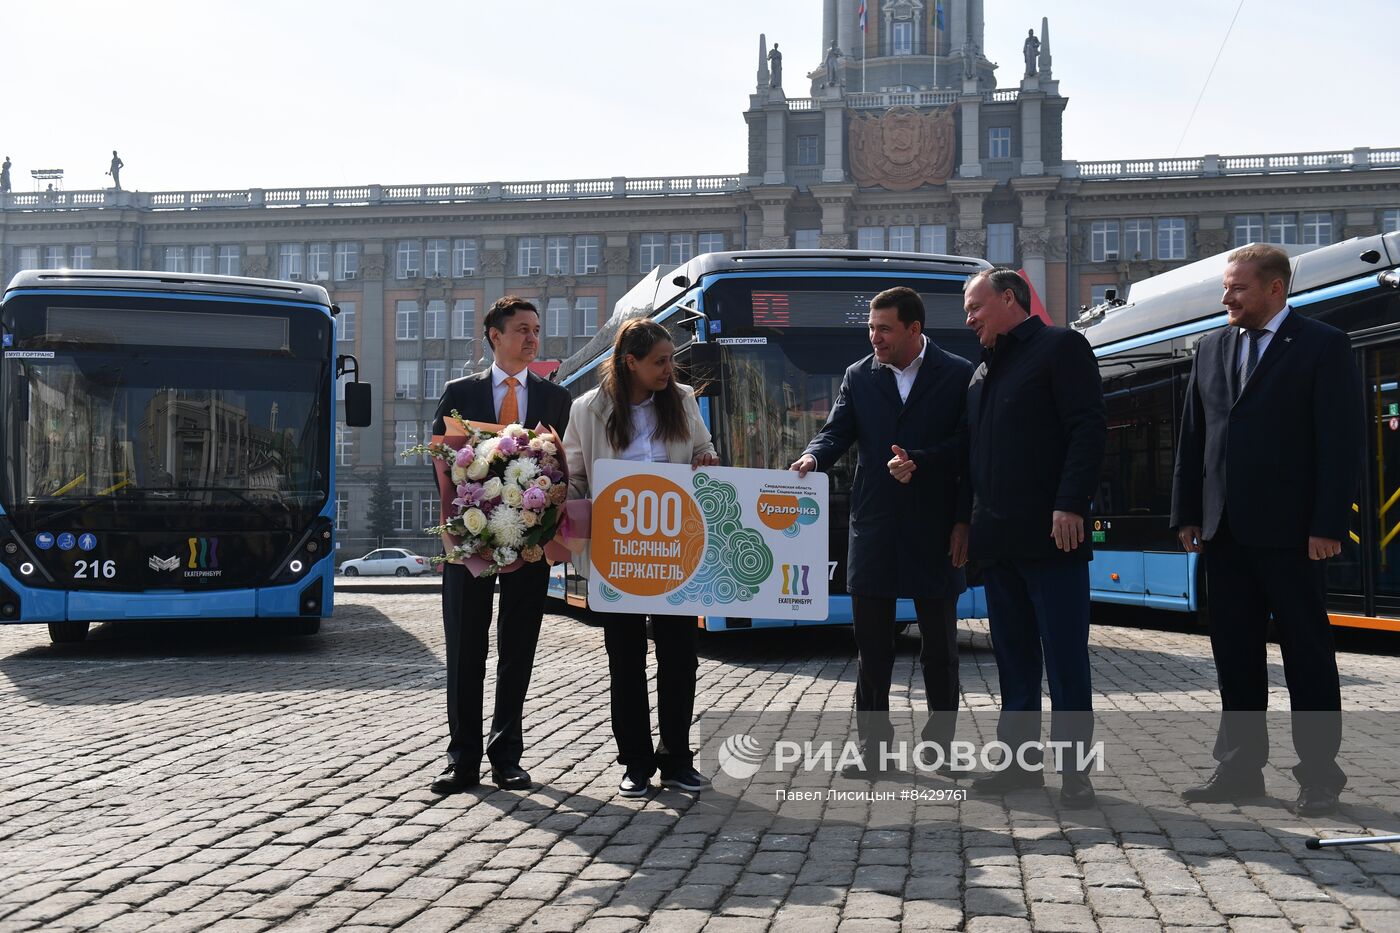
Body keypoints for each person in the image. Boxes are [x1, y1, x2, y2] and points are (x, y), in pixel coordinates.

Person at [1170, 245, 1363, 817]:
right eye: (1226, 288)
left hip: (1294, 534)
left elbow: (1341, 443)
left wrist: (1328, 523)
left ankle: (1321, 777)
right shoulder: (1210, 348)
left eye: (1238, 288)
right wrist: (1188, 513)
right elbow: (1193, 438)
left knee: (1307, 656)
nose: (1226, 298)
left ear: (1276, 288)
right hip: (1224, 530)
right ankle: (1238, 770)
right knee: (1234, 655)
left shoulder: (1323, 345)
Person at [792, 286, 971, 779]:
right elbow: (836, 430)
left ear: (914, 329)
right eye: (871, 328)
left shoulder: (957, 373)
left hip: (936, 529)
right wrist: (813, 456)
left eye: (884, 329)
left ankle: (942, 749)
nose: (874, 338)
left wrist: (959, 516)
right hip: (873, 527)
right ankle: (873, 750)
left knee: (941, 650)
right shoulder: (858, 375)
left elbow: (968, 448)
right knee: (872, 648)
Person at [961, 268, 1106, 808]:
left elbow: (1087, 429)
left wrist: (1071, 503)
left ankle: (1075, 773)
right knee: (1014, 663)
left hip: (1054, 538)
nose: (969, 319)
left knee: (1066, 660)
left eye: (975, 307)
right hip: (999, 545)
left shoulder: (1061, 346)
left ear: (1008, 298)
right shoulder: (980, 374)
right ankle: (1020, 767)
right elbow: (970, 459)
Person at [562, 318, 719, 798]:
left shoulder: (684, 400)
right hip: (617, 557)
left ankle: (677, 759)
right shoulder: (587, 409)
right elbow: (574, 478)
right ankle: (635, 762)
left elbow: (705, 450)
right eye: (659, 362)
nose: (669, 370)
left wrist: (708, 461)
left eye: (670, 360)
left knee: (680, 658)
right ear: (630, 362)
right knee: (624, 660)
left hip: (676, 553)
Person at [429, 296, 572, 794]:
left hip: (528, 547)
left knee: (518, 650)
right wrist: (471, 523)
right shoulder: (458, 393)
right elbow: (442, 467)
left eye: (536, 330)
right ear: (495, 335)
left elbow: (561, 473)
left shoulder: (556, 399)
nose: (532, 338)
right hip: (469, 541)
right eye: (522, 330)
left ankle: (506, 755)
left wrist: (541, 517)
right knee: (466, 649)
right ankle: (462, 758)